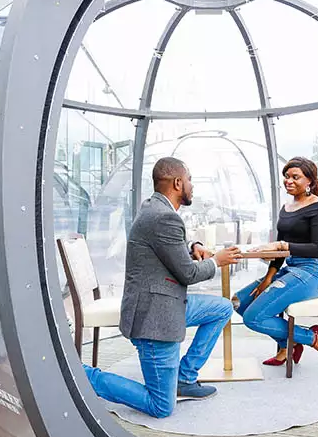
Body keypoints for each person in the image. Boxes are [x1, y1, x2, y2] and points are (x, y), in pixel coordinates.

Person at [83, 157, 241, 418]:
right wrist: (217, 261)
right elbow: (188, 273)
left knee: (222, 308)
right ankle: (83, 375)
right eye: (190, 179)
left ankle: (184, 377)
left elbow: (169, 243)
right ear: (178, 183)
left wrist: (193, 246)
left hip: (166, 302)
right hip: (154, 319)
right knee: (161, 407)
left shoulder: (154, 207)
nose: (192, 186)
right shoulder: (164, 217)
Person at [233, 157, 318, 368]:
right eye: (286, 177)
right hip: (292, 269)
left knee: (253, 318)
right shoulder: (286, 208)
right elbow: (280, 251)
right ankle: (288, 343)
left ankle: (313, 338)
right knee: (241, 303)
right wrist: (268, 278)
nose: (288, 181)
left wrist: (281, 245)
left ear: (309, 181)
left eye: (295, 177)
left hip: (315, 273)